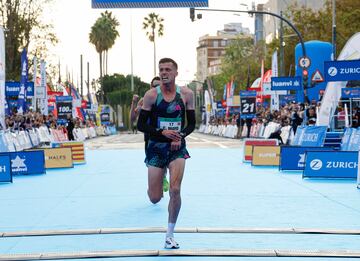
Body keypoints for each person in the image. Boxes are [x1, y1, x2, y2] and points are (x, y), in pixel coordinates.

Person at [137, 58, 195, 249]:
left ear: (176, 73)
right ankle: (157, 183)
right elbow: (141, 125)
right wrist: (161, 132)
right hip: (155, 148)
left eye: (168, 69)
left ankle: (169, 235)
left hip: (177, 149)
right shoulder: (151, 95)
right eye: (161, 69)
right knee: (154, 197)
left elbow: (192, 124)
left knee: (176, 190)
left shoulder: (186, 94)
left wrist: (180, 136)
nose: (164, 72)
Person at [131, 76, 170, 192]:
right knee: (152, 165)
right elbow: (133, 119)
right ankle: (157, 182)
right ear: (150, 87)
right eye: (154, 85)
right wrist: (134, 103)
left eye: (159, 85)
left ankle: (162, 178)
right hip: (150, 139)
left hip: (165, 137)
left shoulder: (169, 99)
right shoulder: (145, 100)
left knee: (165, 163)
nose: (157, 87)